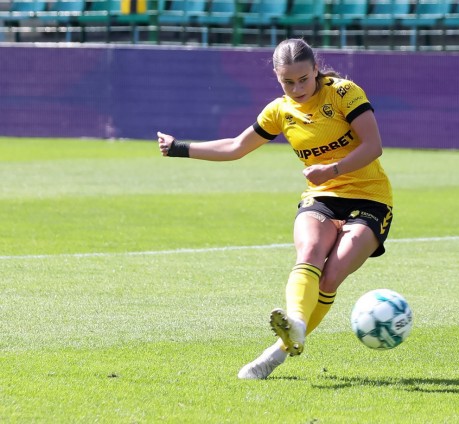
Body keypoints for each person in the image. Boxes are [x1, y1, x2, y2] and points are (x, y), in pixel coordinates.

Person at [157, 38, 393, 380]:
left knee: (331, 276)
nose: (297, 89)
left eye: (303, 79)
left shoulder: (344, 93)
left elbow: (373, 146)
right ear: (277, 78)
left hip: (370, 197)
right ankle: (295, 323)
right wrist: (179, 147)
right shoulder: (279, 111)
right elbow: (236, 147)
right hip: (323, 195)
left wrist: (332, 169)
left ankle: (275, 355)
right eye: (288, 82)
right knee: (309, 252)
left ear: (316, 69)